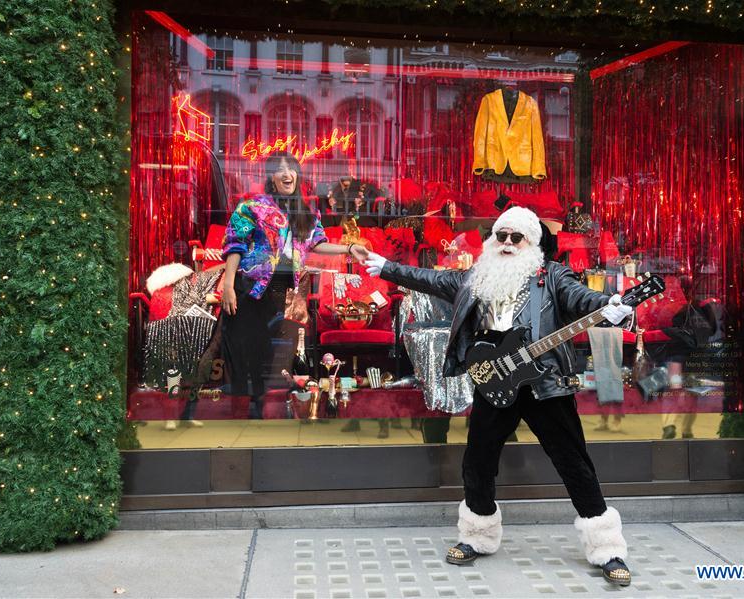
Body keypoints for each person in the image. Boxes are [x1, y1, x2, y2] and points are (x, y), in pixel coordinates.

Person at [362, 206, 634, 586]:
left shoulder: (552, 276)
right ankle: (477, 535)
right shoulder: (478, 278)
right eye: (501, 236)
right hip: (494, 381)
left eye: (515, 237)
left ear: (531, 243)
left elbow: (581, 299)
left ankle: (607, 549)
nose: (507, 244)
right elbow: (427, 278)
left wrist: (610, 306)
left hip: (545, 384)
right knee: (478, 461)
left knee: (573, 462)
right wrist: (385, 267)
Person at [221, 153, 369, 411]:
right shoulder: (252, 206)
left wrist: (349, 248)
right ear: (271, 177)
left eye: (291, 169)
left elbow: (318, 244)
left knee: (268, 353)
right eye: (280, 170)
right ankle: (244, 412)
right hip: (250, 287)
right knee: (246, 351)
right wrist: (229, 287)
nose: (287, 174)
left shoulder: (307, 211)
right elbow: (236, 246)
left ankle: (261, 409)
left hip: (281, 291)